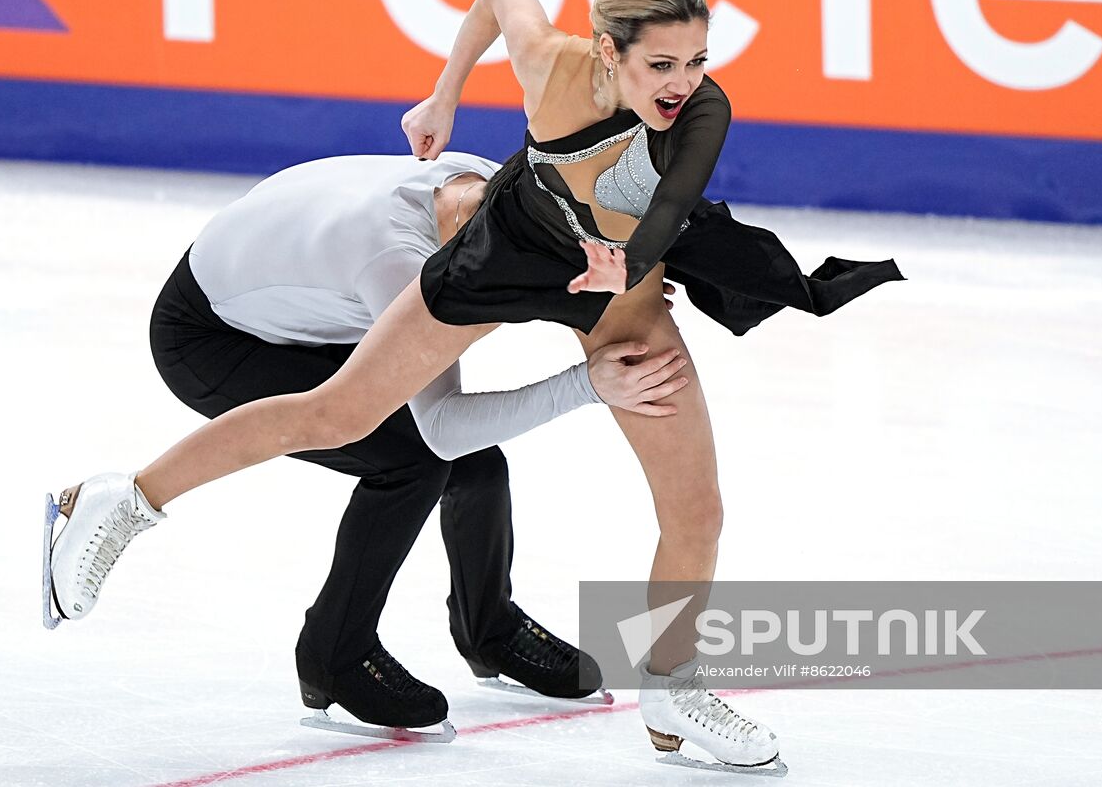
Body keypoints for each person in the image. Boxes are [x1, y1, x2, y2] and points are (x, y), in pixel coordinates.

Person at [50, 0, 901, 769]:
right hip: (501, 254)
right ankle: (121, 501)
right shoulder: (554, 64)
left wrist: (629, 264)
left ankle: (674, 689)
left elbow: (673, 198)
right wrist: (444, 94)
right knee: (342, 413)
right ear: (609, 52)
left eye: (698, 60)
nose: (682, 83)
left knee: (697, 507)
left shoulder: (702, 112)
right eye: (662, 63)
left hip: (619, 284)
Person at [46, 150, 690, 739]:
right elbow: (440, 426)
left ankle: (488, 630)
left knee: (472, 462)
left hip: (289, 291)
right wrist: (587, 384)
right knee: (413, 463)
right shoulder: (407, 269)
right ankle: (334, 654)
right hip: (213, 338)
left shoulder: (495, 192)